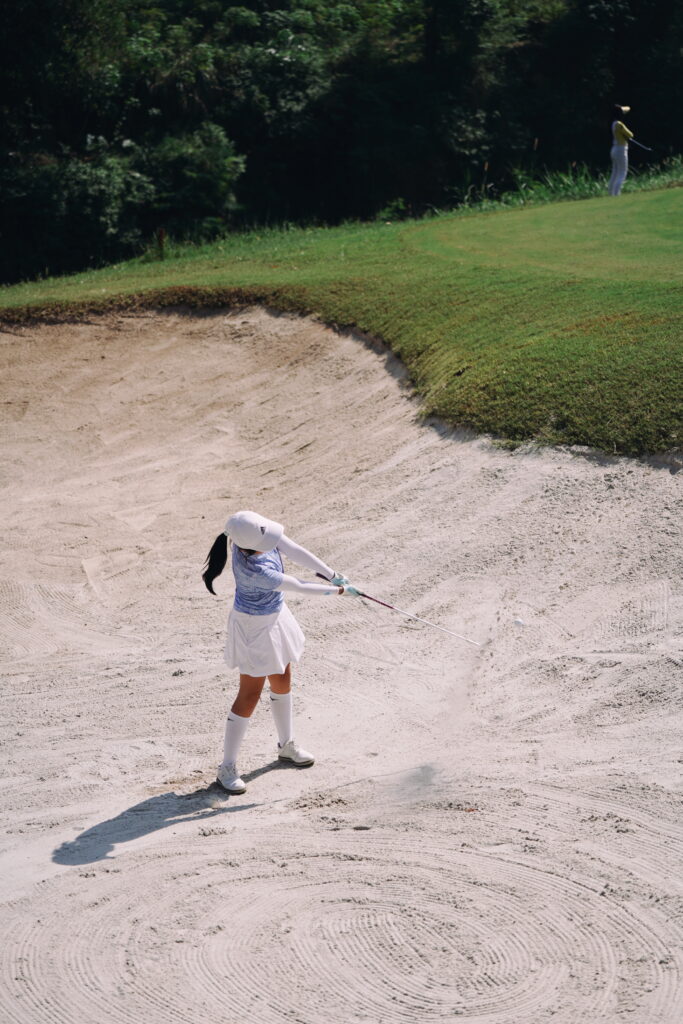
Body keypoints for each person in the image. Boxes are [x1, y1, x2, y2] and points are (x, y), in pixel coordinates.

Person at [202, 510, 359, 794]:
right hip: (254, 628)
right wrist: (338, 592)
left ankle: (286, 745)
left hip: (275, 617)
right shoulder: (256, 571)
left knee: (282, 679)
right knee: (250, 694)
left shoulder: (253, 539)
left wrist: (333, 575)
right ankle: (227, 767)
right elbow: (298, 586)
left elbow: (295, 550)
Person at [608, 104, 634, 196]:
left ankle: (611, 193)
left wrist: (623, 108)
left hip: (614, 149)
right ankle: (616, 193)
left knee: (615, 172)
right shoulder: (619, 124)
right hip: (621, 149)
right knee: (622, 172)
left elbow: (628, 108)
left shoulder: (613, 123)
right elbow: (630, 134)